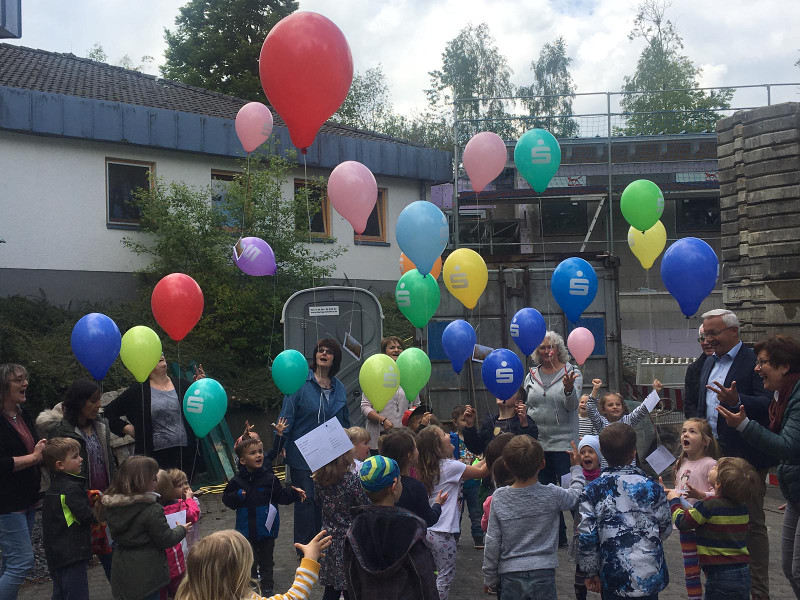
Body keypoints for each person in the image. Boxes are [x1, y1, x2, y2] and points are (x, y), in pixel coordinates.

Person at [688, 309, 773, 600]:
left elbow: (768, 404)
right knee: (714, 518)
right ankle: (723, 582)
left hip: (746, 459)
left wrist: (738, 400)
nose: (708, 339)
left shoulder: (754, 362)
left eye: (713, 333)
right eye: (705, 334)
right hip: (715, 457)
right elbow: (701, 408)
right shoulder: (708, 363)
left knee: (751, 523)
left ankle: (759, 591)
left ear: (733, 332)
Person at [716, 334, 800, 598]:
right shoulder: (782, 395)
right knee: (789, 568)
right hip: (795, 494)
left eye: (763, 363)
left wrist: (743, 425)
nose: (756, 368)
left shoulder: (796, 396)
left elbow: (788, 446)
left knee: (797, 571)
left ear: (784, 366)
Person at [577, 422, 672, 600]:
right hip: (648, 573)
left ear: (602, 453)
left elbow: (587, 535)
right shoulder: (652, 487)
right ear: (633, 453)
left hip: (613, 575)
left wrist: (590, 571)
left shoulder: (592, 490)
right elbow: (665, 527)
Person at [482, 436, 584, 599]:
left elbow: (492, 541)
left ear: (507, 465)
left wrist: (490, 577)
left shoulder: (499, 497)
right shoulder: (552, 494)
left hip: (510, 573)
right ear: (542, 464)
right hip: (544, 572)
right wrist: (576, 468)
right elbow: (575, 495)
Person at [37, 378, 118, 579]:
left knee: (111, 551)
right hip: (81, 502)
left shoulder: (101, 425)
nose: (98, 405)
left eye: (98, 400)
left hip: (105, 497)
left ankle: (120, 590)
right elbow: (56, 469)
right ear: (78, 403)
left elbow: (108, 459)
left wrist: (116, 488)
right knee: (78, 560)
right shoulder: (61, 432)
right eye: (92, 401)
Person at [277, 338, 351, 547]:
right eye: (320, 350)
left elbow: (345, 421)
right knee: (306, 501)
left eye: (329, 351)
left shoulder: (340, 388)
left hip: (331, 456)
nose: (323, 354)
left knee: (327, 502)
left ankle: (324, 548)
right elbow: (286, 417)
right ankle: (304, 550)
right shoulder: (300, 383)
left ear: (335, 358)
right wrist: (281, 444)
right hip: (302, 456)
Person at [97, 455, 191, 600]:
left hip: (123, 567)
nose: (156, 481)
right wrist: (182, 530)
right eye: (154, 478)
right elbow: (165, 539)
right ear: (142, 481)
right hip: (148, 571)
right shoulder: (151, 509)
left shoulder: (112, 506)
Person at [344, 455, 438, 600]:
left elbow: (352, 579)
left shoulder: (355, 528)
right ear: (394, 486)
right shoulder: (411, 527)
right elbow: (424, 578)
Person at [668, 457, 761, 600]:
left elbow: (683, 522)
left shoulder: (708, 506)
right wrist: (698, 496)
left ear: (718, 484)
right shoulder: (742, 508)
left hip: (720, 577)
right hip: (743, 572)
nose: (712, 467)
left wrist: (674, 500)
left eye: (716, 468)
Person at [222, 437, 305, 595]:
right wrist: (238, 495)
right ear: (243, 460)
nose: (259, 455)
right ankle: (251, 587)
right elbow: (226, 499)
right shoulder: (237, 481)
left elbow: (281, 496)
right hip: (245, 531)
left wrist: (293, 493)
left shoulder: (269, 478)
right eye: (253, 453)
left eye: (260, 451)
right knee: (249, 561)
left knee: (267, 560)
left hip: (266, 529)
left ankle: (267, 588)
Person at [416, 425, 489, 600]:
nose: (449, 435)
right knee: (445, 576)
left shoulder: (430, 467)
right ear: (437, 446)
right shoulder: (450, 467)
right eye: (443, 434)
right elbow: (480, 471)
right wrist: (494, 450)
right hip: (444, 532)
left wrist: (487, 455)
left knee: (432, 575)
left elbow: (475, 467)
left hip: (428, 531)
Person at [523, 331, 582, 546]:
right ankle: (557, 538)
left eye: (551, 347)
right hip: (539, 445)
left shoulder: (572, 372)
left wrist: (568, 389)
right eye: (542, 348)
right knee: (547, 494)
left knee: (572, 492)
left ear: (558, 349)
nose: (547, 351)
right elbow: (528, 405)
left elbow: (572, 406)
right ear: (537, 352)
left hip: (565, 445)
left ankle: (583, 533)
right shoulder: (531, 375)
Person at [104, 353, 205, 473]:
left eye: (162, 352)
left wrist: (201, 386)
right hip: (154, 459)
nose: (161, 354)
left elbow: (201, 407)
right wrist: (127, 429)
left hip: (185, 455)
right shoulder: (138, 391)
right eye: (155, 352)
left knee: (184, 490)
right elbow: (108, 412)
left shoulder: (182, 385)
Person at [174, 529, 331, 600]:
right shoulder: (245, 597)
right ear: (235, 573)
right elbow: (294, 597)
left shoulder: (187, 595)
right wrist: (309, 560)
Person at [0, 363, 46, 600]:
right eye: (18, 380)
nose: (25, 383)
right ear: (3, 386)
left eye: (25, 378)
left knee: (11, 562)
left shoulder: (23, 414)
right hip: (8, 505)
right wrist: (34, 457)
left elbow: (36, 447)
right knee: (22, 563)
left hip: (27, 500)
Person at [663, 418, 720, 600]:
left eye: (692, 431)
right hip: (686, 526)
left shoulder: (711, 464)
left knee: (710, 569)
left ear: (705, 441)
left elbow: (719, 496)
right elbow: (680, 493)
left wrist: (701, 494)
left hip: (706, 528)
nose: (685, 434)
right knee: (690, 571)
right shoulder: (681, 464)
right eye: (683, 431)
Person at [41, 437, 95, 600]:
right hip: (73, 554)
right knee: (77, 594)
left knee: (60, 593)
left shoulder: (53, 488)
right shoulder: (71, 489)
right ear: (60, 465)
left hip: (56, 554)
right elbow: (87, 516)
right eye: (75, 457)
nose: (81, 459)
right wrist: (101, 507)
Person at [313, 448, 368, 600]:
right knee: (352, 588)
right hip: (349, 542)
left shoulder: (319, 480)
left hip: (328, 540)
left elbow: (317, 502)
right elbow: (363, 504)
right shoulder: (352, 480)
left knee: (331, 589)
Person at [360, 337, 419, 451]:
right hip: (380, 437)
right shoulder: (375, 374)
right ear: (384, 352)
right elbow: (365, 406)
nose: (396, 350)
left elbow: (416, 404)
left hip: (404, 437)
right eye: (392, 347)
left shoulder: (409, 376)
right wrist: (382, 420)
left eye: (399, 348)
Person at [378, 430, 446, 527]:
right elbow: (429, 519)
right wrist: (437, 504)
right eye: (416, 448)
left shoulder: (381, 482)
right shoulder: (415, 487)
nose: (418, 452)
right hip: (409, 537)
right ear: (409, 456)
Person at [155, 469, 201, 598]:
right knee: (182, 592)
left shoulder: (151, 510)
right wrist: (189, 500)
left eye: (186, 483)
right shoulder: (179, 506)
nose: (185, 487)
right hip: (178, 561)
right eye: (179, 485)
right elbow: (194, 515)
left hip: (160, 568)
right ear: (169, 489)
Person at [461, 387, 538, 456]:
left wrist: (524, 424)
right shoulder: (489, 421)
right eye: (501, 390)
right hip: (490, 470)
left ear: (518, 402)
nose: (502, 393)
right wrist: (469, 426)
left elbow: (529, 447)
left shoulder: (524, 421)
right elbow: (477, 448)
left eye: (508, 391)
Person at [572, 436, 603, 600]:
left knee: (603, 572)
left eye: (591, 451)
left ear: (599, 456)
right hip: (582, 533)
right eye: (583, 452)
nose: (586, 455)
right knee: (580, 571)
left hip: (601, 533)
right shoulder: (577, 479)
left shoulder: (604, 478)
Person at [451, 405, 485, 549]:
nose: (465, 423)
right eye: (462, 420)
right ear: (455, 422)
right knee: (456, 511)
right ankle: (455, 537)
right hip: (458, 481)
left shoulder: (474, 436)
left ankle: (478, 537)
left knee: (476, 510)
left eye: (467, 420)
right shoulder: (451, 439)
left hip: (473, 480)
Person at [586, 378, 662, 431]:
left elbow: (643, 409)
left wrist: (655, 392)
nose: (615, 407)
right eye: (610, 405)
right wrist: (595, 388)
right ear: (603, 410)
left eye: (618, 404)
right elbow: (590, 409)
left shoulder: (628, 420)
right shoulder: (600, 423)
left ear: (622, 408)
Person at [684, 325, 714, 417]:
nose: (705, 343)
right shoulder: (693, 369)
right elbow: (689, 405)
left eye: (709, 338)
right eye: (702, 339)